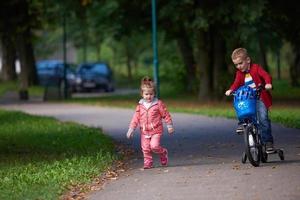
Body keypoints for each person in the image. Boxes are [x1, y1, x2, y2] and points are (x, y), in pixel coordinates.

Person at [225, 48, 275, 153]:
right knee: (240, 104)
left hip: (260, 97)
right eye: (236, 65)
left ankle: (268, 142)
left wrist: (268, 83)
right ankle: (242, 122)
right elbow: (236, 83)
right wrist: (231, 90)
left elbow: (266, 76)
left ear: (248, 60)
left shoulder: (256, 68)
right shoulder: (239, 73)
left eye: (240, 63)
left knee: (263, 119)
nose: (238, 66)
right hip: (248, 98)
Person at [126, 76, 174, 169]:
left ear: (154, 93)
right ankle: (148, 162)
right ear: (142, 94)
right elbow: (135, 118)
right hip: (144, 131)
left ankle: (163, 152)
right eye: (146, 94)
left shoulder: (158, 104)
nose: (149, 96)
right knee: (146, 148)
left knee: (154, 146)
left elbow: (166, 114)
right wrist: (131, 129)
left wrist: (169, 125)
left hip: (156, 130)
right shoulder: (140, 106)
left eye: (151, 94)